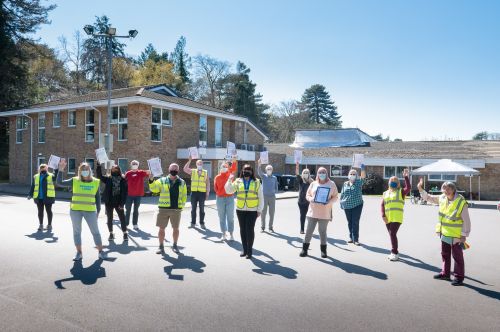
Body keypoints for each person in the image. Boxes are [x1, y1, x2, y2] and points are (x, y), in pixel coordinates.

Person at [418, 179, 471, 286]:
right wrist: (420, 188)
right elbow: (429, 198)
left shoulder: (461, 201)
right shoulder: (442, 197)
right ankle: (445, 273)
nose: (446, 191)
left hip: (456, 235)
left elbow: (467, 220)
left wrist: (464, 235)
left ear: (453, 189)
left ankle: (459, 277)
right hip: (444, 232)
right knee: (445, 254)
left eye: (448, 189)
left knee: (457, 257)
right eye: (444, 189)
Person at [56, 159, 107, 261]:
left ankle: (101, 251)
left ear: (90, 170)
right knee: (77, 232)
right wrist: (60, 169)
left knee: (95, 232)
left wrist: (98, 210)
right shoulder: (75, 180)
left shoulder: (96, 182)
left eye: (86, 169)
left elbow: (98, 198)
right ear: (79, 171)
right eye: (82, 169)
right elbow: (59, 182)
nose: (85, 171)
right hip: (76, 211)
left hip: (90, 211)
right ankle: (79, 253)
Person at [225, 164, 263, 259]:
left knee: (249, 230)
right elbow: (229, 191)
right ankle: (244, 250)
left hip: (252, 210)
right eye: (245, 169)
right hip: (240, 209)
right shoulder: (238, 181)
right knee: (243, 230)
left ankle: (249, 251)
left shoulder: (257, 182)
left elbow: (261, 197)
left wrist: (259, 210)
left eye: (249, 170)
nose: (247, 171)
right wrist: (229, 179)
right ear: (242, 171)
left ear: (252, 171)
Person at [299, 167, 338, 258]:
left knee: (322, 232)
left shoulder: (331, 184)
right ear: (317, 174)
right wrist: (311, 199)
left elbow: (335, 197)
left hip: (325, 213)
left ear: (326, 173)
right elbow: (307, 195)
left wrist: (329, 202)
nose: (322, 174)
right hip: (312, 212)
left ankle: (323, 251)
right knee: (309, 231)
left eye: (323, 172)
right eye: (320, 172)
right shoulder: (313, 183)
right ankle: (304, 249)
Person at [149, 163, 187, 254]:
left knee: (176, 228)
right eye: (172, 168)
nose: (174, 170)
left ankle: (175, 245)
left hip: (176, 209)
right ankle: (161, 246)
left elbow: (184, 195)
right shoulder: (162, 180)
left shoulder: (182, 182)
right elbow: (154, 189)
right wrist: (151, 180)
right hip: (163, 209)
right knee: (161, 229)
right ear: (169, 169)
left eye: (176, 169)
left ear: (178, 171)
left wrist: (181, 206)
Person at [381, 169, 411, 261]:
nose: (393, 183)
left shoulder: (401, 192)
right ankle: (394, 252)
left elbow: (408, 188)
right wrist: (383, 215)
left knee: (392, 233)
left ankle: (394, 252)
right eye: (391, 181)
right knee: (391, 235)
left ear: (398, 183)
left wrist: (406, 177)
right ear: (389, 183)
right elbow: (382, 204)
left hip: (397, 217)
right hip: (387, 218)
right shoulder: (385, 193)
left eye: (395, 181)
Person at [96, 163, 128, 242]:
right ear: (111, 170)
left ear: (119, 170)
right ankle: (111, 233)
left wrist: (122, 204)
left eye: (116, 169)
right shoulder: (108, 179)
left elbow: (124, 193)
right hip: (109, 202)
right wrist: (99, 166)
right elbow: (99, 176)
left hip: (119, 203)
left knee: (122, 218)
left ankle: (125, 233)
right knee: (109, 218)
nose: (114, 170)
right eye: (113, 169)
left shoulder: (123, 179)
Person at [340, 165, 367, 245]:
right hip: (347, 206)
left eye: (354, 174)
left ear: (356, 176)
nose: (352, 175)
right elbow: (342, 193)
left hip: (357, 205)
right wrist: (341, 203)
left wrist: (362, 169)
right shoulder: (345, 183)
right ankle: (351, 237)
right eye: (351, 174)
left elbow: (363, 178)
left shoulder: (358, 182)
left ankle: (356, 239)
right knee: (349, 222)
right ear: (348, 175)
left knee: (355, 221)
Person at [28, 163, 58, 231]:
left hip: (48, 197)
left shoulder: (50, 175)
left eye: (44, 168)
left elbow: (56, 177)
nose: (43, 169)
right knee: (40, 211)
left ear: (47, 169)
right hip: (39, 197)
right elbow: (33, 186)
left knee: (49, 211)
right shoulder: (36, 176)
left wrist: (56, 169)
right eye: (41, 168)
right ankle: (41, 225)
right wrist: (30, 194)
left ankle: (49, 225)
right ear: (39, 169)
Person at [214, 157, 238, 241]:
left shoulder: (229, 175)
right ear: (220, 168)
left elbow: (234, 167)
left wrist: (234, 160)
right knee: (221, 217)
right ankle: (223, 233)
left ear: (227, 168)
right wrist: (220, 194)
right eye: (222, 167)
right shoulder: (217, 177)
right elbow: (216, 188)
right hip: (220, 198)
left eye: (225, 167)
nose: (224, 168)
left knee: (230, 217)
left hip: (230, 198)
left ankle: (231, 234)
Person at [183, 157, 210, 229]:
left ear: (202, 164)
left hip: (202, 193)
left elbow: (207, 183)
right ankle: (193, 223)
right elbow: (185, 169)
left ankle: (202, 223)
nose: (199, 164)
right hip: (194, 193)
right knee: (193, 209)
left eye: (200, 163)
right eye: (198, 163)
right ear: (196, 164)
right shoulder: (193, 171)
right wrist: (189, 160)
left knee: (202, 209)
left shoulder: (205, 172)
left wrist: (207, 193)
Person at [124, 160, 150, 230]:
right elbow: (123, 182)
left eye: (136, 164)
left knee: (136, 210)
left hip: (138, 195)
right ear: (131, 165)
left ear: (138, 165)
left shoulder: (141, 172)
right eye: (133, 164)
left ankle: (135, 224)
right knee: (128, 210)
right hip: (129, 195)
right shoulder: (128, 173)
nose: (134, 165)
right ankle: (126, 224)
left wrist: (150, 171)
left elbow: (149, 174)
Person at [257, 159, 279, 232]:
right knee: (263, 213)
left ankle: (270, 227)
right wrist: (259, 165)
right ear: (266, 170)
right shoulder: (263, 176)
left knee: (271, 213)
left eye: (270, 169)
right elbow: (259, 172)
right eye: (268, 169)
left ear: (272, 170)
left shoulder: (274, 178)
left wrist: (274, 191)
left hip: (272, 197)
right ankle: (262, 227)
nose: (269, 170)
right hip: (264, 197)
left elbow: (276, 187)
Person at [296, 162, 313, 234]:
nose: (305, 174)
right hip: (301, 202)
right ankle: (302, 229)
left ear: (309, 174)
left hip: (309, 201)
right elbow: (297, 174)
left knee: (309, 216)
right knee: (302, 215)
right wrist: (297, 166)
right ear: (302, 173)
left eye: (307, 172)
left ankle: (309, 229)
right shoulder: (300, 180)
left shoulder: (311, 181)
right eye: (304, 172)